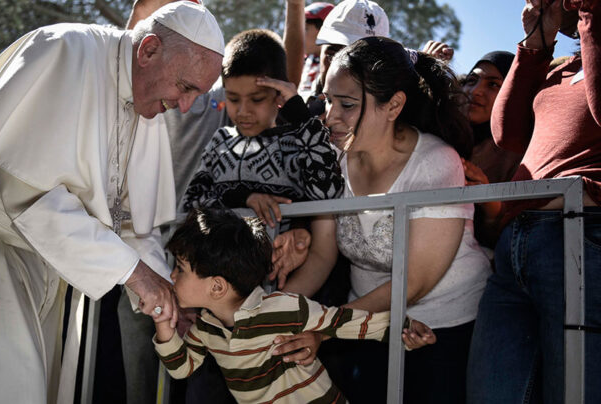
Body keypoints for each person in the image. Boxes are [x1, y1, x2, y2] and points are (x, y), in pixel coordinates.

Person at [0, 2, 225, 403]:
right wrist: (135, 274)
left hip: (31, 265)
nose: (184, 106)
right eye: (185, 87)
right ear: (148, 50)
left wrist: (168, 294)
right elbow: (30, 195)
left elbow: (131, 223)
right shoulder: (65, 51)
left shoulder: (149, 104)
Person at [280, 37, 491, 403]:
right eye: (329, 100)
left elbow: (414, 282)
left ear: (393, 105)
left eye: (347, 105)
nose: (330, 116)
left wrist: (324, 327)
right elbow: (321, 256)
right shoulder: (333, 160)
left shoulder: (435, 163)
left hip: (445, 329)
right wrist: (269, 309)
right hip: (364, 323)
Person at [152, 208, 436, 403]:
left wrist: (406, 329)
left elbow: (347, 323)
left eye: (180, 269)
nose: (172, 276)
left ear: (217, 287)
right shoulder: (206, 327)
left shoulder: (284, 308)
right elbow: (182, 368)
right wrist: (163, 323)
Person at [467, 0, 601, 402]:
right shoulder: (560, 67)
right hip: (515, 241)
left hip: (581, 236)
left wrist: (590, 11)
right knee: (492, 393)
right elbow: (507, 132)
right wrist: (536, 41)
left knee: (574, 392)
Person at [182, 28, 344, 233]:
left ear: (279, 94)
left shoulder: (298, 143)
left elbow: (329, 193)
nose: (243, 111)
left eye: (256, 99)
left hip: (279, 254)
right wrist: (242, 199)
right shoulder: (220, 142)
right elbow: (191, 202)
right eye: (233, 99)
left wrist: (301, 116)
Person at [459, 50, 524, 250]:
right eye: (471, 80)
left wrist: (491, 206)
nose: (476, 91)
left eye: (493, 85)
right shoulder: (440, 134)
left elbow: (512, 241)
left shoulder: (517, 156)